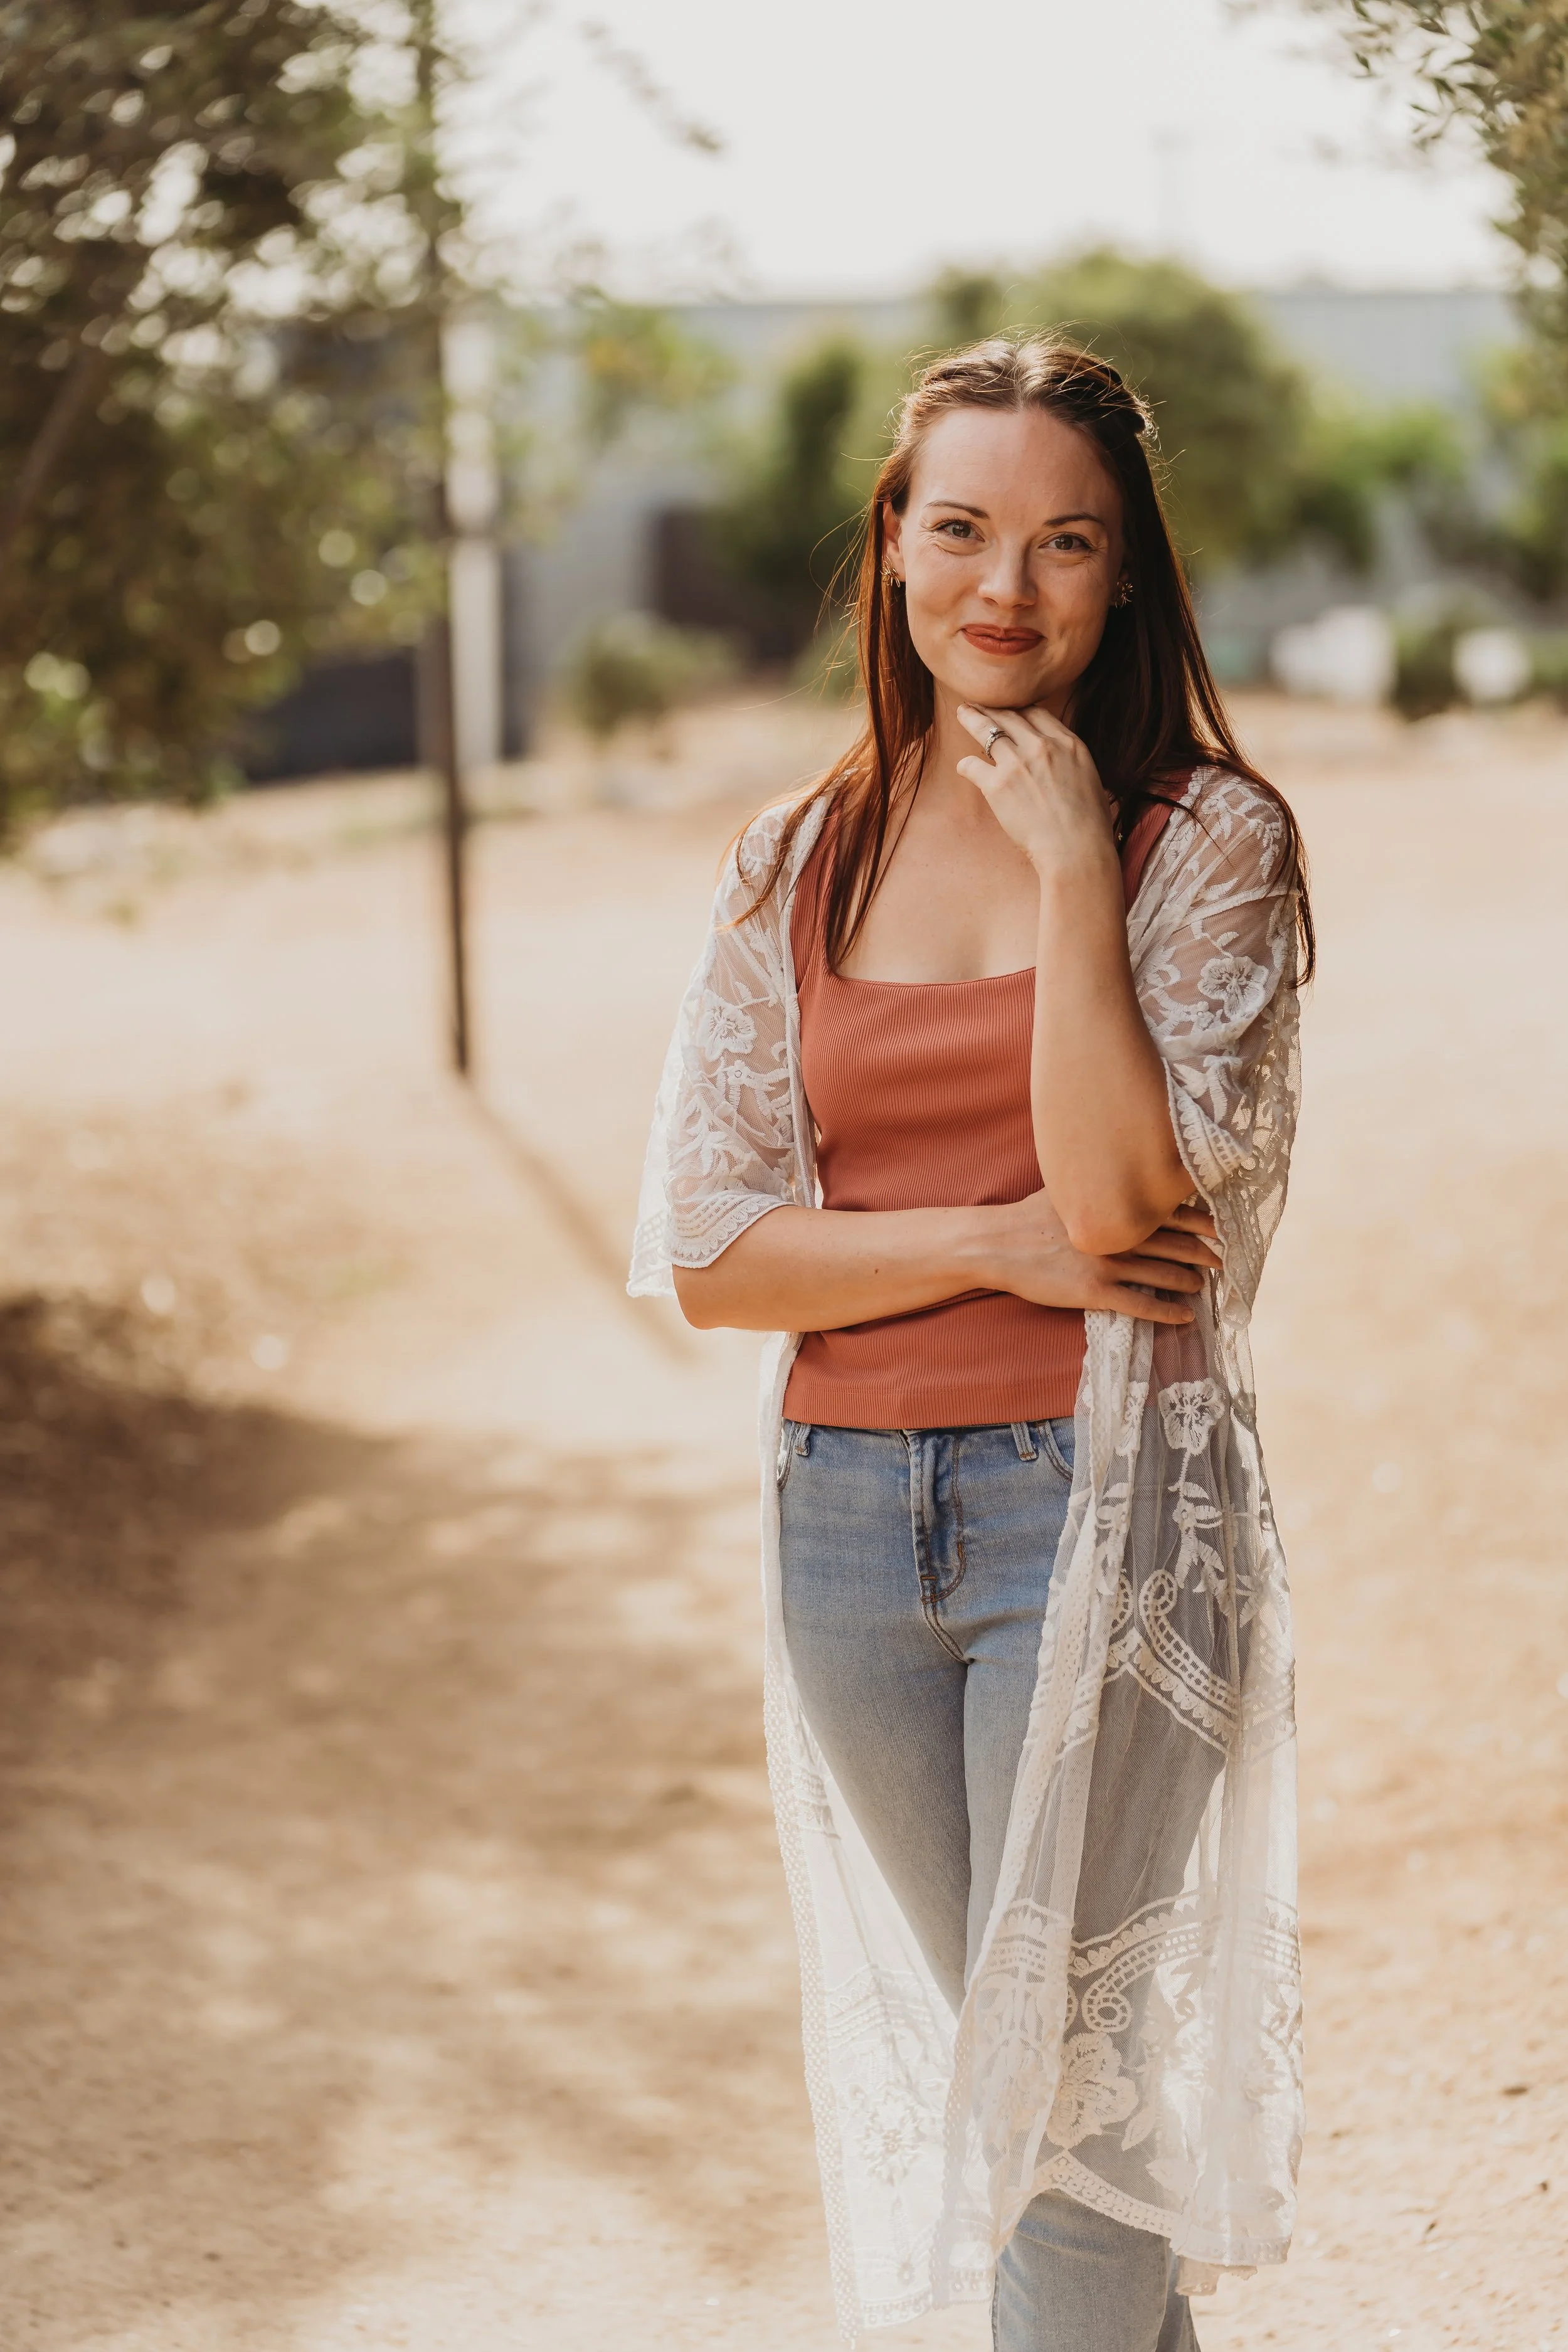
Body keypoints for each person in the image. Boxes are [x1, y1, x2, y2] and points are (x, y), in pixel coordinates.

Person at [630, 336, 1309, 2351]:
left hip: (1093, 1509)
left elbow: (1128, 1217)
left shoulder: (1209, 846)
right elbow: (715, 1252)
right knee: (1011, 2078)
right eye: (961, 527)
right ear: (892, 549)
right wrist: (991, 1235)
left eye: (1063, 541)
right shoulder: (793, 856)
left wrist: (1071, 871)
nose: (1003, 584)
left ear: (1127, 578)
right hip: (844, 1524)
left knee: (1063, 2109)